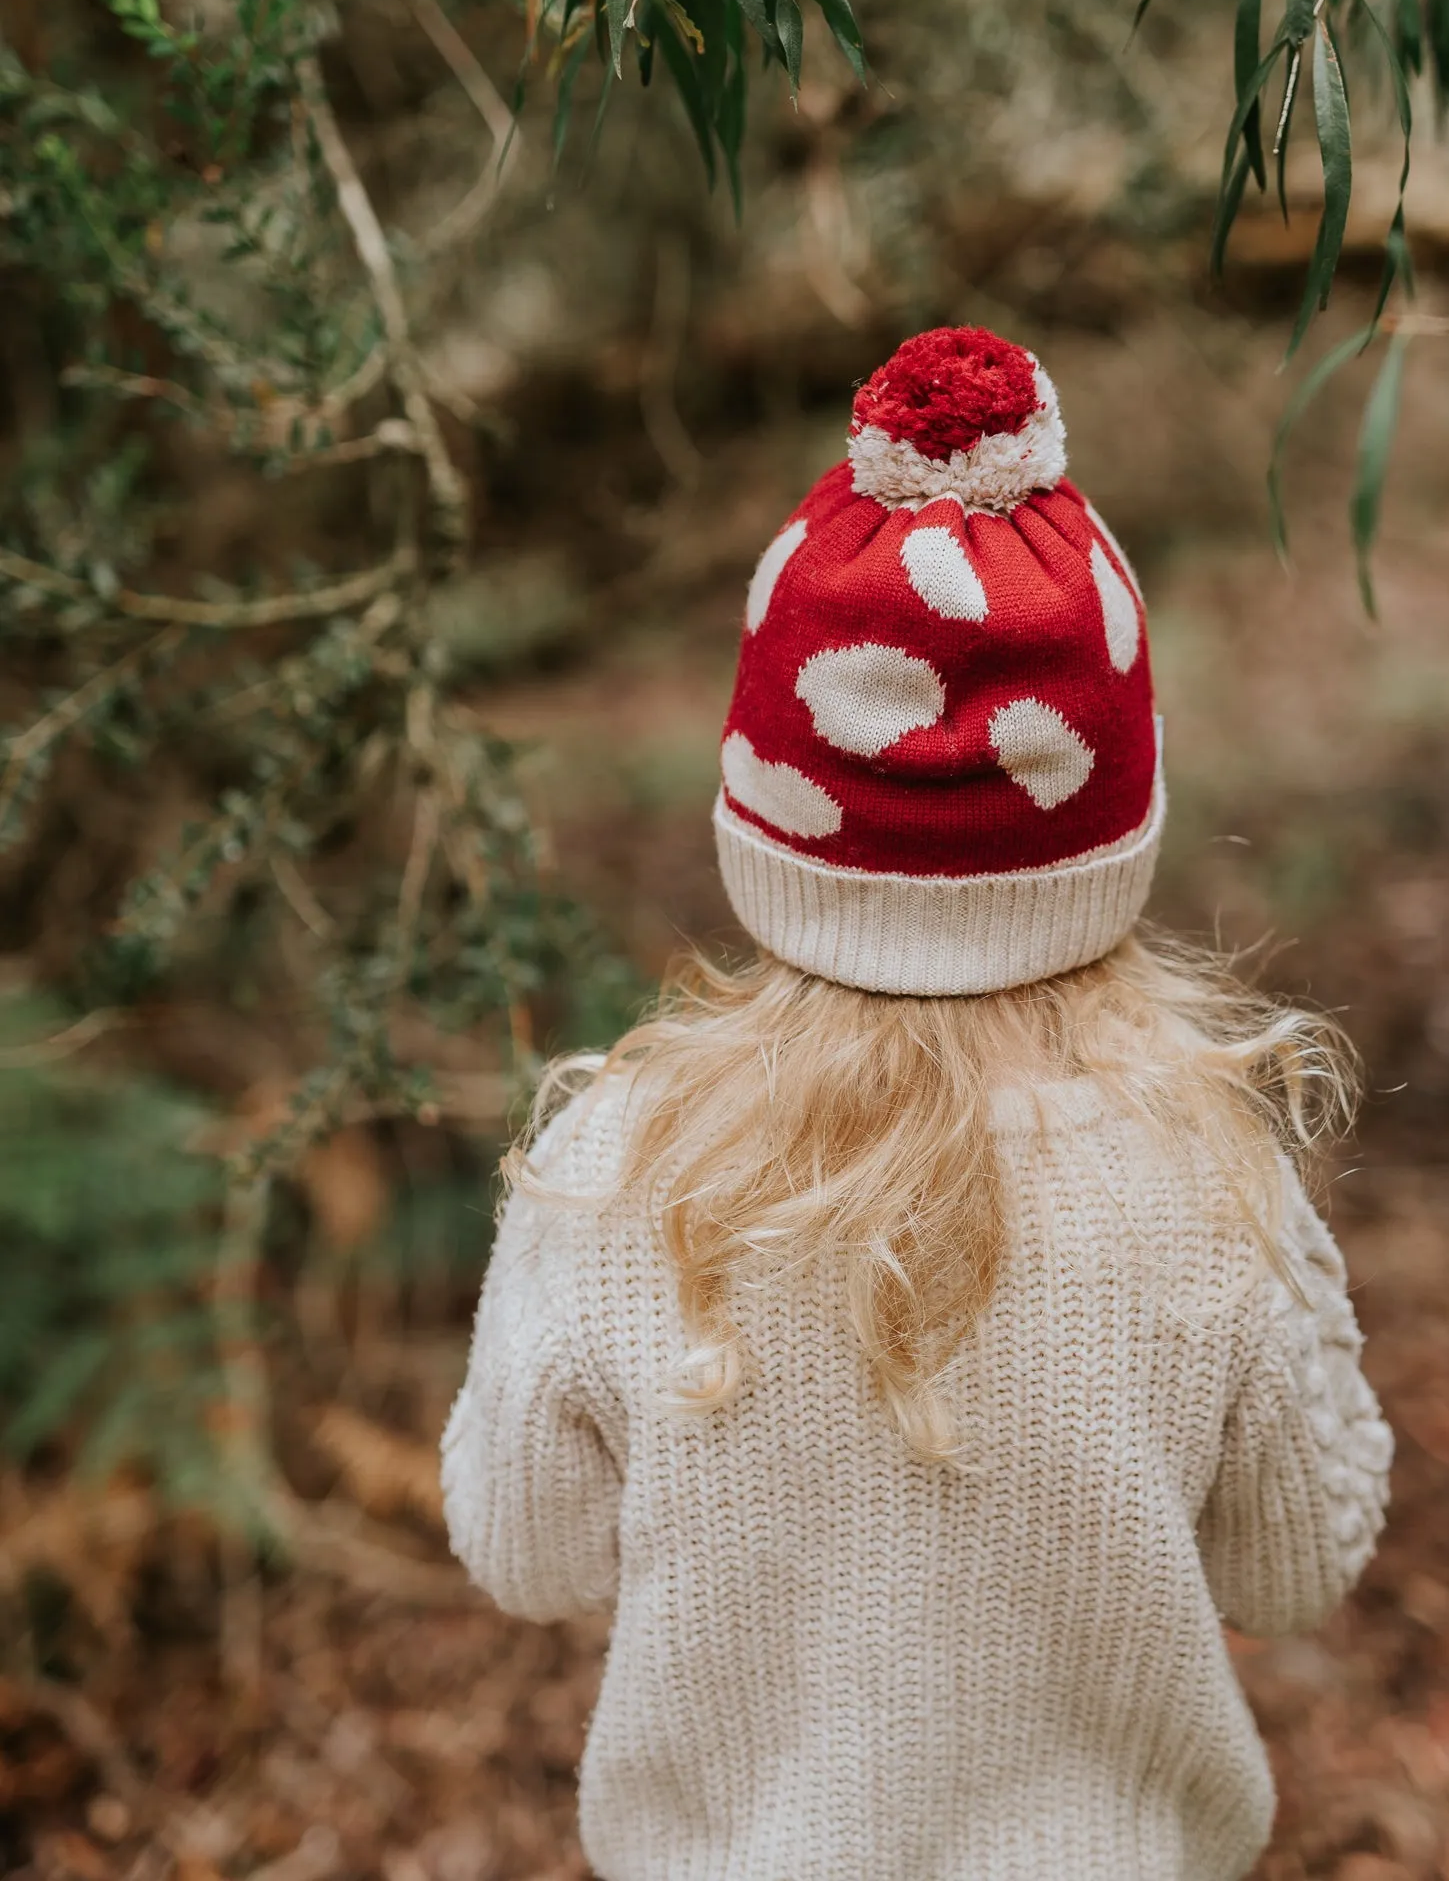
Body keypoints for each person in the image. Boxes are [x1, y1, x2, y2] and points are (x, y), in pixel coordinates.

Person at [442, 326, 1393, 1881]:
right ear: (1110, 820)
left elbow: (521, 1552)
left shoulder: (616, 1170)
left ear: (768, 809)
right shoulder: (1203, 1175)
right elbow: (1298, 1561)